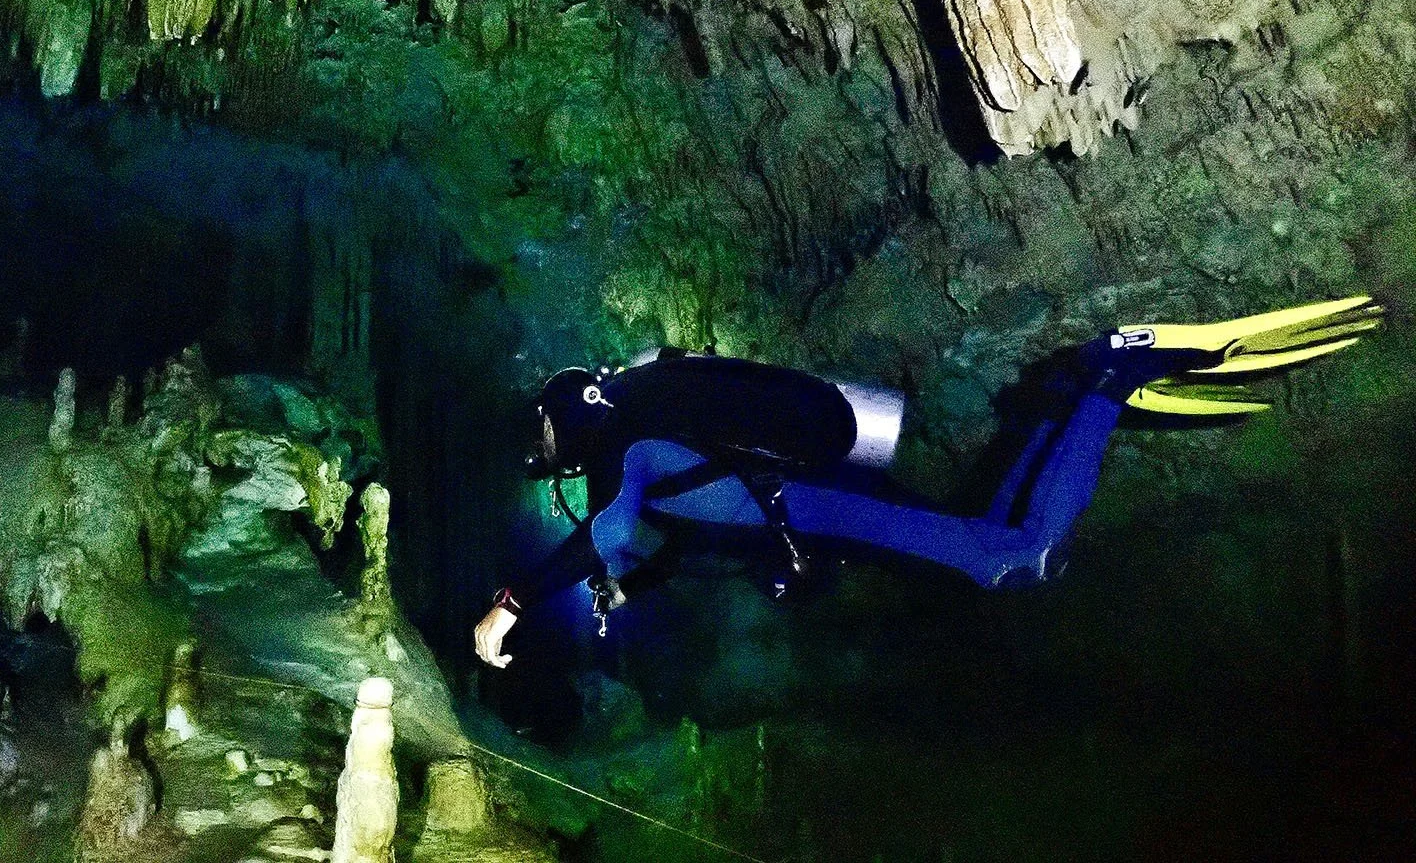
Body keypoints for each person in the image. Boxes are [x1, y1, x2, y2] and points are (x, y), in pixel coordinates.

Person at [474, 296, 1384, 668]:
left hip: (828, 504)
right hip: (829, 509)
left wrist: (510, 602)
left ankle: (1110, 373)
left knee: (1015, 559)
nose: (550, 456)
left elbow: (603, 528)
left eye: (548, 440)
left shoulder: (624, 448)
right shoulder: (647, 446)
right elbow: (649, 541)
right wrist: (625, 586)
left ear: (574, 421)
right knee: (989, 536)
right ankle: (1061, 402)